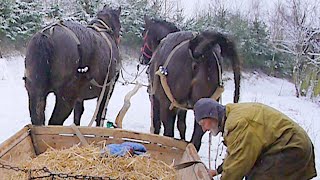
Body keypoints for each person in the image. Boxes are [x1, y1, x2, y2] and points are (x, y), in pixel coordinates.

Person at [194, 98, 317, 180]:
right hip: (287, 143)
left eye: (203, 123)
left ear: (211, 116)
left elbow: (237, 165)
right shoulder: (230, 114)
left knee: (257, 177)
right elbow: (236, 154)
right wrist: (217, 171)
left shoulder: (238, 124)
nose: (204, 129)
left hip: (291, 146)